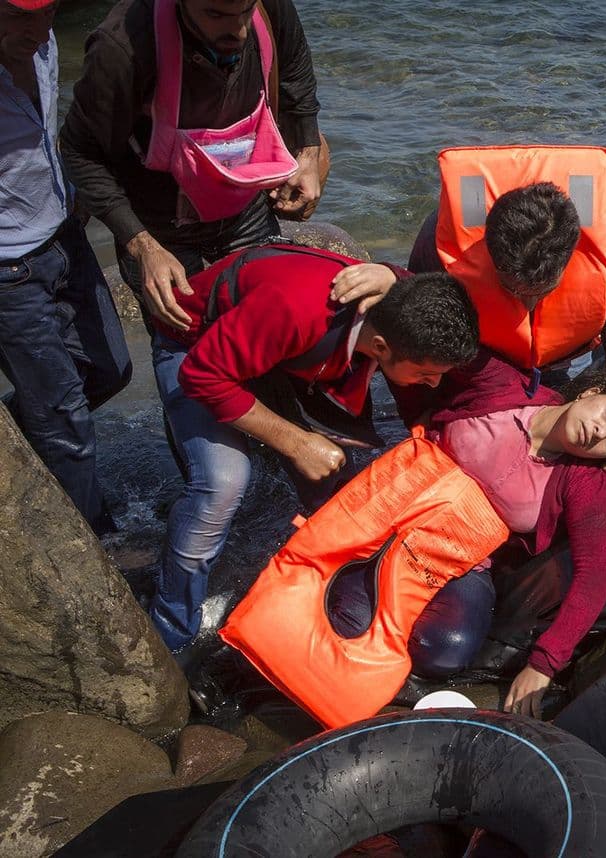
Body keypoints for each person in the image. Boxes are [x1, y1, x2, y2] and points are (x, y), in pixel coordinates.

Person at [148, 242, 479, 652]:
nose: (432, 384)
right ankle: (170, 631)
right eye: (426, 374)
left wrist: (392, 273)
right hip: (193, 351)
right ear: (380, 348)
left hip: (276, 355)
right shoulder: (295, 310)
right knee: (224, 483)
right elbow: (202, 377)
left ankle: (321, 598)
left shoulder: (392, 300)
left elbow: (429, 292)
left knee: (340, 487)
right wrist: (297, 442)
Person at [330, 351, 606, 717]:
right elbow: (426, 346)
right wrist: (415, 409)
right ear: (590, 393)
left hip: (461, 560)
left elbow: (595, 578)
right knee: (345, 621)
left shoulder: (587, 484)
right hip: (388, 515)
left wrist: (543, 664)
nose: (600, 432)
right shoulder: (500, 387)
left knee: (444, 648)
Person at [59, 0, 327, 335]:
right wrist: (143, 247)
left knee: (273, 328)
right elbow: (78, 151)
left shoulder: (267, 5)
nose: (239, 31)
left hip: (245, 208)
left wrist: (308, 155)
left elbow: (295, 71)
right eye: (216, 14)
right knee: (183, 348)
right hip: (158, 226)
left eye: (245, 12)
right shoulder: (122, 48)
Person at [335, 146, 606, 391]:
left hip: (568, 365)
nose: (524, 303)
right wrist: (393, 276)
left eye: (539, 291)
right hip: (479, 361)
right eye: (510, 287)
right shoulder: (443, 237)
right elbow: (420, 330)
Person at [0, 0, 132, 535]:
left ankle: (16, 441)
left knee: (112, 369)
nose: (37, 29)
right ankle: (96, 542)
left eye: (47, 13)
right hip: (8, 269)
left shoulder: (45, 44)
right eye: (19, 16)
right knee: (66, 422)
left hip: (64, 231)